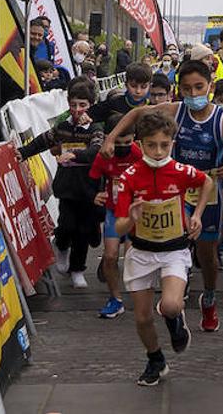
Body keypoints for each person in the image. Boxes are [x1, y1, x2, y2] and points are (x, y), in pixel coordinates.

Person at [100, 59, 223, 333]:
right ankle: (174, 295)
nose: (193, 94)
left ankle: (209, 296)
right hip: (173, 186)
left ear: (210, 87)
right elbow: (135, 115)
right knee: (173, 241)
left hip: (207, 187)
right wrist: (111, 137)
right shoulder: (174, 110)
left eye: (199, 87)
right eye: (186, 89)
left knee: (207, 253)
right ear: (179, 89)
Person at [114, 110, 214, 386]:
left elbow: (206, 182)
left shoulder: (180, 171)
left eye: (164, 145)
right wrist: (130, 219)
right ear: (140, 143)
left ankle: (175, 318)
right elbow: (119, 227)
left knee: (170, 304)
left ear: (172, 143)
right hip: (141, 251)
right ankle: (155, 359)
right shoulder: (129, 178)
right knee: (143, 318)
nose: (158, 151)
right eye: (151, 145)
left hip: (174, 249)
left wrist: (197, 215)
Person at [19, 78, 104, 287]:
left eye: (82, 105)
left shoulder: (96, 128)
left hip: (89, 188)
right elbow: (43, 140)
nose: (77, 110)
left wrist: (74, 155)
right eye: (73, 105)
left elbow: (96, 151)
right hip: (66, 187)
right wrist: (22, 153)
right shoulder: (63, 127)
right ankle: (61, 244)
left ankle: (78, 269)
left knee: (83, 231)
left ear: (90, 105)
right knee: (66, 225)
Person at [89, 113, 142, 318]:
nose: (122, 147)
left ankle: (139, 297)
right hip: (113, 210)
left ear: (134, 139)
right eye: (118, 142)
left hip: (134, 213)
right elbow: (91, 179)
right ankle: (115, 299)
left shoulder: (137, 154)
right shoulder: (105, 154)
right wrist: (95, 194)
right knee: (110, 256)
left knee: (131, 257)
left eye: (127, 142)